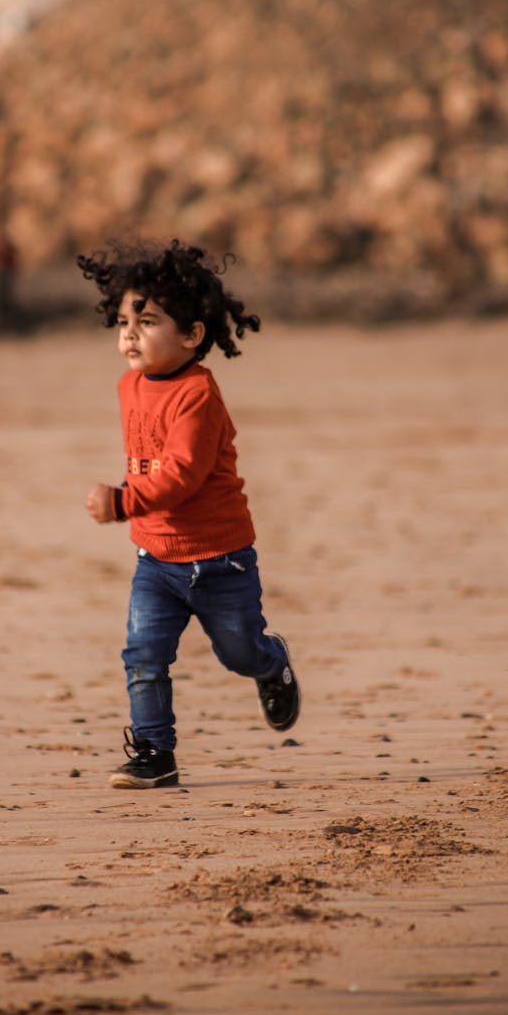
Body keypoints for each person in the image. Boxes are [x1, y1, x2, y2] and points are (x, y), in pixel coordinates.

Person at [79, 238, 300, 789]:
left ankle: (272, 663)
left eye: (147, 320)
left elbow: (180, 475)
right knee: (143, 654)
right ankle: (155, 752)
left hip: (221, 560)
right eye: (124, 319)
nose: (130, 333)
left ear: (191, 335)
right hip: (156, 560)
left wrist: (122, 502)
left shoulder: (199, 395)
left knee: (239, 653)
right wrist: (137, 516)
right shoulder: (129, 386)